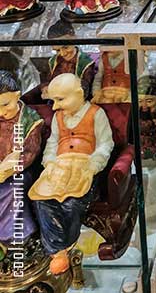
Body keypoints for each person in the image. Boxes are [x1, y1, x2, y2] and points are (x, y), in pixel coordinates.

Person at [29, 73, 113, 275]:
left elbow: (105, 144)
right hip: (60, 167)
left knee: (72, 203)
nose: (55, 107)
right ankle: (57, 250)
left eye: (60, 100)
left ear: (79, 94)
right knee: (41, 200)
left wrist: (94, 164)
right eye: (53, 100)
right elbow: (52, 143)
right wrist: (49, 163)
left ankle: (63, 246)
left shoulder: (95, 113)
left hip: (85, 168)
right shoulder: (58, 117)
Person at [0, 71, 43, 255]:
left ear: (17, 96)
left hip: (21, 171)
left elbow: (29, 153)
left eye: (5, 105)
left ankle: (13, 237)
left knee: (12, 190)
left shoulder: (29, 120)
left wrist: (10, 168)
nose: (1, 112)